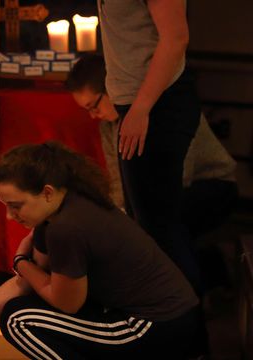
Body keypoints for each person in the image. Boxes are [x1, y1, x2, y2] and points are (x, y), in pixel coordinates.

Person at [0, 142, 201, 360]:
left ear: (47, 192)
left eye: (16, 205)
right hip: (171, 319)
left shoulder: (66, 228)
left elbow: (66, 302)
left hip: (156, 328)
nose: (9, 216)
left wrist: (21, 262)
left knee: (19, 319)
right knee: (25, 307)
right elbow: (24, 285)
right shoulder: (65, 205)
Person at [67, 54, 238, 239]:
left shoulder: (159, 109)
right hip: (161, 193)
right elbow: (118, 180)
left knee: (160, 220)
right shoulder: (108, 126)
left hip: (210, 184)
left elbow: (181, 174)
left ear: (111, 88)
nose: (93, 115)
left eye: (94, 106)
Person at [98, 0, 203, 290]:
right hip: (135, 105)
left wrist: (142, 109)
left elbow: (176, 38)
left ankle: (184, 324)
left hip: (158, 105)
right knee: (146, 225)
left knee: (159, 229)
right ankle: (174, 320)